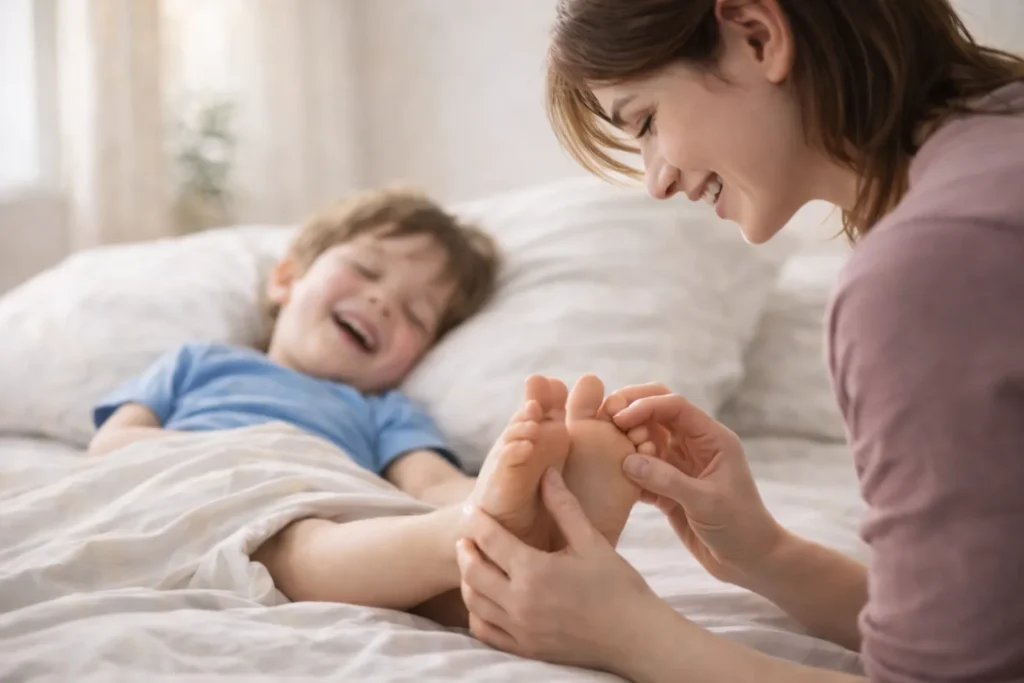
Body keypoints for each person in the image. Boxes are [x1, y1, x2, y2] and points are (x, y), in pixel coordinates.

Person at [456, 0, 1024, 681]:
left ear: (757, 36)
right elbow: (988, 628)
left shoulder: (931, 267)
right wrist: (765, 554)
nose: (656, 180)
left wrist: (631, 637)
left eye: (646, 121)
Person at [88, 188, 652, 627]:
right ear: (287, 278)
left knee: (430, 589)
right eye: (366, 270)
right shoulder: (200, 362)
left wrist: (519, 485)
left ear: (416, 358)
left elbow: (431, 484)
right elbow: (109, 446)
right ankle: (478, 537)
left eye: (415, 314)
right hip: (197, 493)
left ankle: (550, 539)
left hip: (321, 519)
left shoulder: (384, 410)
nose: (382, 301)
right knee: (299, 549)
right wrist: (240, 456)